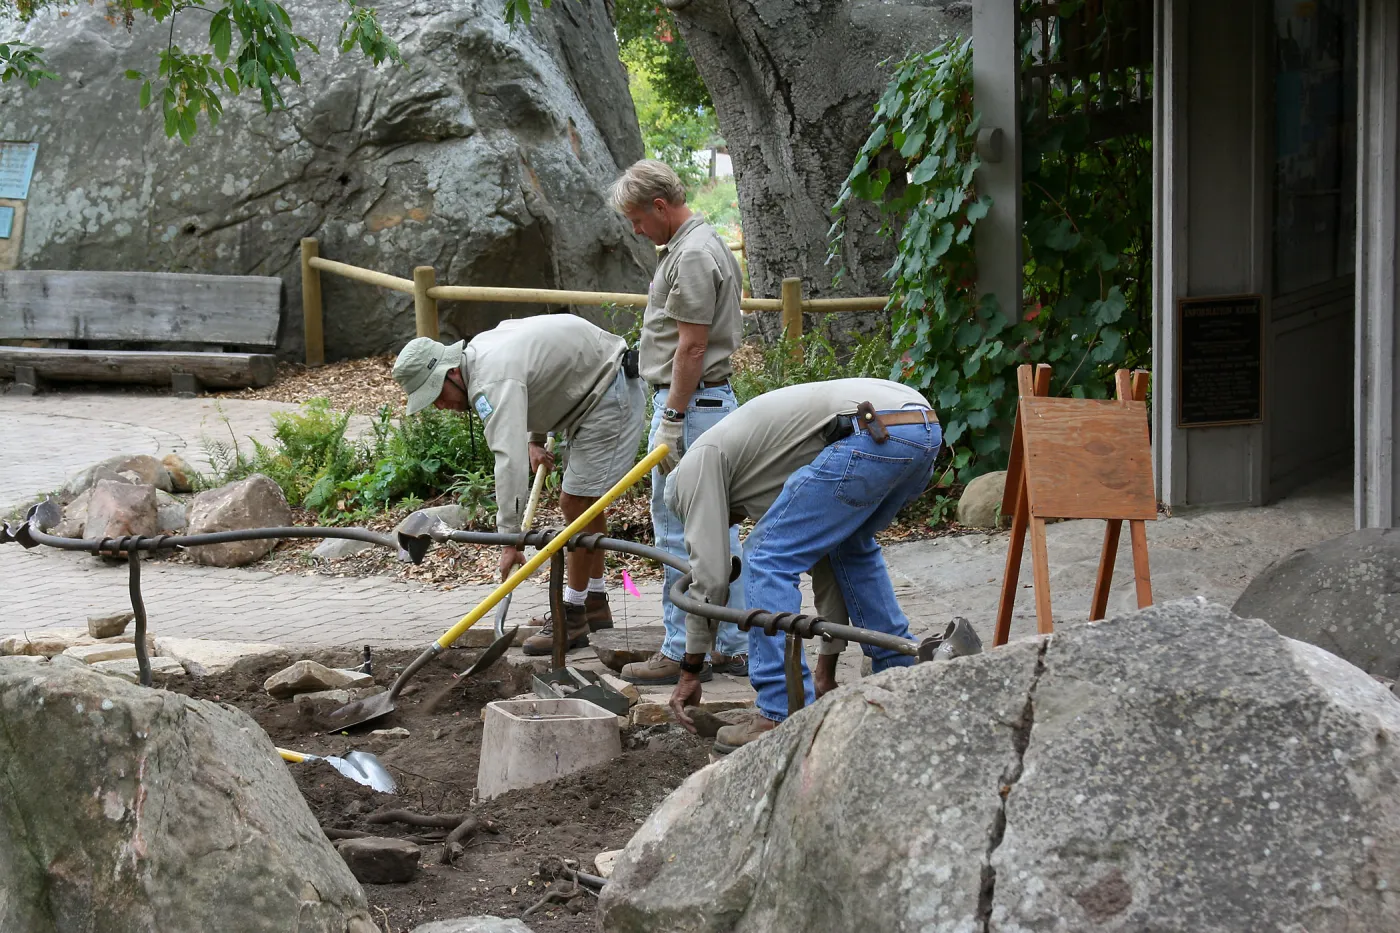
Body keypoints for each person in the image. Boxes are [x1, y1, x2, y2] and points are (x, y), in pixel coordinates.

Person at [664, 378, 942, 754]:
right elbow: (827, 567)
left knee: (765, 555)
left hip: (867, 430)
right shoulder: (755, 464)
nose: (732, 521)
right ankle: (901, 678)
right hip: (920, 427)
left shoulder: (695, 467)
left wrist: (689, 669)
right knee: (851, 549)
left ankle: (778, 713)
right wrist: (825, 673)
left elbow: (711, 578)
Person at [391, 315, 646, 655]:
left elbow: (507, 461)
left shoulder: (491, 379)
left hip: (608, 392)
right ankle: (593, 603)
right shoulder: (482, 353)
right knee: (584, 505)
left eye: (436, 394)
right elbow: (539, 375)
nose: (440, 406)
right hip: (588, 392)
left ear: (452, 373)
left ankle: (572, 615)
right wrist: (535, 438)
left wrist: (509, 539)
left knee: (577, 504)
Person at [609, 158, 749, 685]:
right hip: (704, 403)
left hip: (690, 406)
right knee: (716, 529)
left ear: (660, 207)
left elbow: (691, 348)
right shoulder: (704, 242)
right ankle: (730, 644)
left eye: (638, 219)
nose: (636, 230)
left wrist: (671, 417)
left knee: (678, 531)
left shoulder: (691, 254)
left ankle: (681, 648)